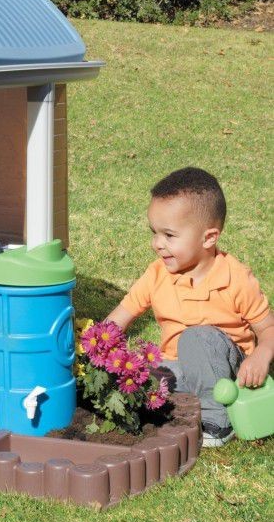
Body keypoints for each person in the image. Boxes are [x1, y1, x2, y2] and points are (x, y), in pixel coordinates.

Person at [106, 167, 273, 447]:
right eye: (154, 232)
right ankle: (176, 406)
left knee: (196, 337)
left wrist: (261, 356)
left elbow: (268, 327)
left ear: (209, 238)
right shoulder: (157, 274)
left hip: (227, 376)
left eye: (169, 235)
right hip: (177, 368)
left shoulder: (235, 278)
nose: (157, 244)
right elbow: (117, 320)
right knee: (136, 373)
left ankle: (217, 420)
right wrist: (94, 348)